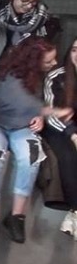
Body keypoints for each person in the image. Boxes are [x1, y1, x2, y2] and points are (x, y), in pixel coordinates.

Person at [0, 36, 69, 246]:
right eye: (48, 61)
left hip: (22, 126)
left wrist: (39, 117)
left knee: (30, 157)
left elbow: (35, 103)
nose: (54, 63)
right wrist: (51, 111)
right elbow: (22, 101)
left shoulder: (40, 76)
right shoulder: (10, 74)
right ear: (33, 60)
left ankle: (17, 217)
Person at [40, 37, 77, 238]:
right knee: (69, 156)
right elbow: (51, 113)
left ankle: (72, 216)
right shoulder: (57, 76)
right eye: (74, 50)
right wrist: (72, 134)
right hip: (59, 129)